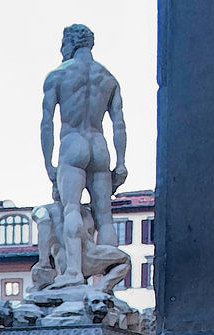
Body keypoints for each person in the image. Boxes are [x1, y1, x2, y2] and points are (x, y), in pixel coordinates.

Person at [40, 23, 127, 289]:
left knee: (71, 208)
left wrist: (49, 164)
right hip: (100, 145)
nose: (61, 50)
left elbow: (47, 123)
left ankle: (74, 273)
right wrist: (121, 162)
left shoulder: (58, 75)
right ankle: (109, 283)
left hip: (72, 144)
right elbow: (119, 124)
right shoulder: (108, 78)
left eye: (62, 45)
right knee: (105, 216)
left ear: (70, 43)